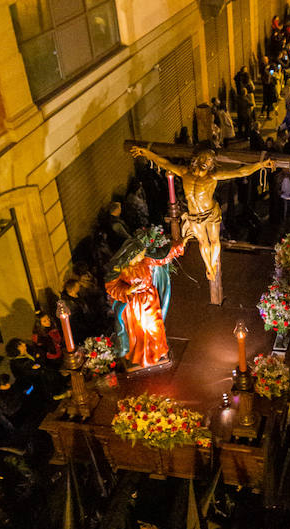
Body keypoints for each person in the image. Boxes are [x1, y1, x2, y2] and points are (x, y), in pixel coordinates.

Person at [130, 144, 275, 299]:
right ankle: (209, 267)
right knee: (203, 242)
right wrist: (147, 153)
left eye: (210, 160)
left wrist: (260, 165)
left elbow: (239, 172)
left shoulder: (212, 176)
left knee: (214, 240)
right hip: (194, 215)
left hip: (211, 213)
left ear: (213, 164)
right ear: (197, 159)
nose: (207, 161)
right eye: (204, 157)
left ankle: (212, 264)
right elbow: (165, 163)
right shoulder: (184, 172)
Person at [105, 229, 185, 369]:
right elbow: (112, 286)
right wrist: (128, 290)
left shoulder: (146, 261)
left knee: (155, 326)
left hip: (150, 298)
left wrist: (179, 246)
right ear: (133, 255)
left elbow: (162, 258)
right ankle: (144, 354)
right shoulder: (122, 270)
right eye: (141, 253)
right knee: (140, 330)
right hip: (135, 304)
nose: (143, 254)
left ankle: (157, 351)